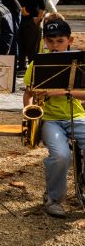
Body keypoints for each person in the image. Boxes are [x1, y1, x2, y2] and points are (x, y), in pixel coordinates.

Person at [22, 19, 85, 218]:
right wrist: (29, 114)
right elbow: (28, 94)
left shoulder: (80, 63)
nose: (55, 45)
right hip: (49, 119)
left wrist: (63, 92)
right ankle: (53, 199)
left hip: (77, 115)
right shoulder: (37, 63)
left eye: (60, 40)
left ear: (70, 40)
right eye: (51, 41)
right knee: (61, 156)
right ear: (45, 42)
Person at [14, 0, 46, 70]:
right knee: (21, 44)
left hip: (31, 22)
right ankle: (22, 65)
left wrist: (39, 18)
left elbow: (42, 5)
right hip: (20, 22)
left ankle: (33, 67)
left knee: (32, 46)